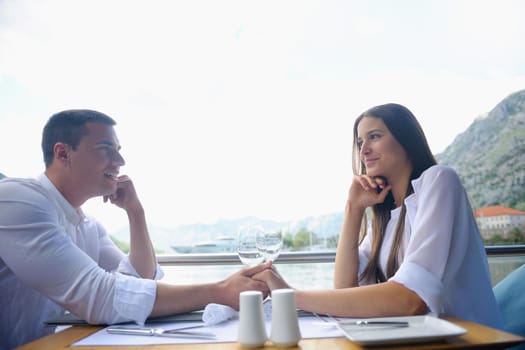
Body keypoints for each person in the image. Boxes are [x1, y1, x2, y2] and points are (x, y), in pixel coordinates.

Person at [0, 109, 270, 349]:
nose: (120, 160)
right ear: (63, 153)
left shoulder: (88, 224)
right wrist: (220, 290)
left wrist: (136, 213)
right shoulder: (15, 199)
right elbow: (98, 296)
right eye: (106, 148)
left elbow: (138, 281)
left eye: (118, 149)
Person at [254, 103, 503, 329]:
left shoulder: (439, 180)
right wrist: (353, 210)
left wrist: (289, 296)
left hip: (467, 339)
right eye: (360, 142)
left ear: (406, 140)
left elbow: (410, 300)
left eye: (374, 137)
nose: (364, 151)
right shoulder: (386, 218)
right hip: (421, 338)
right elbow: (345, 288)